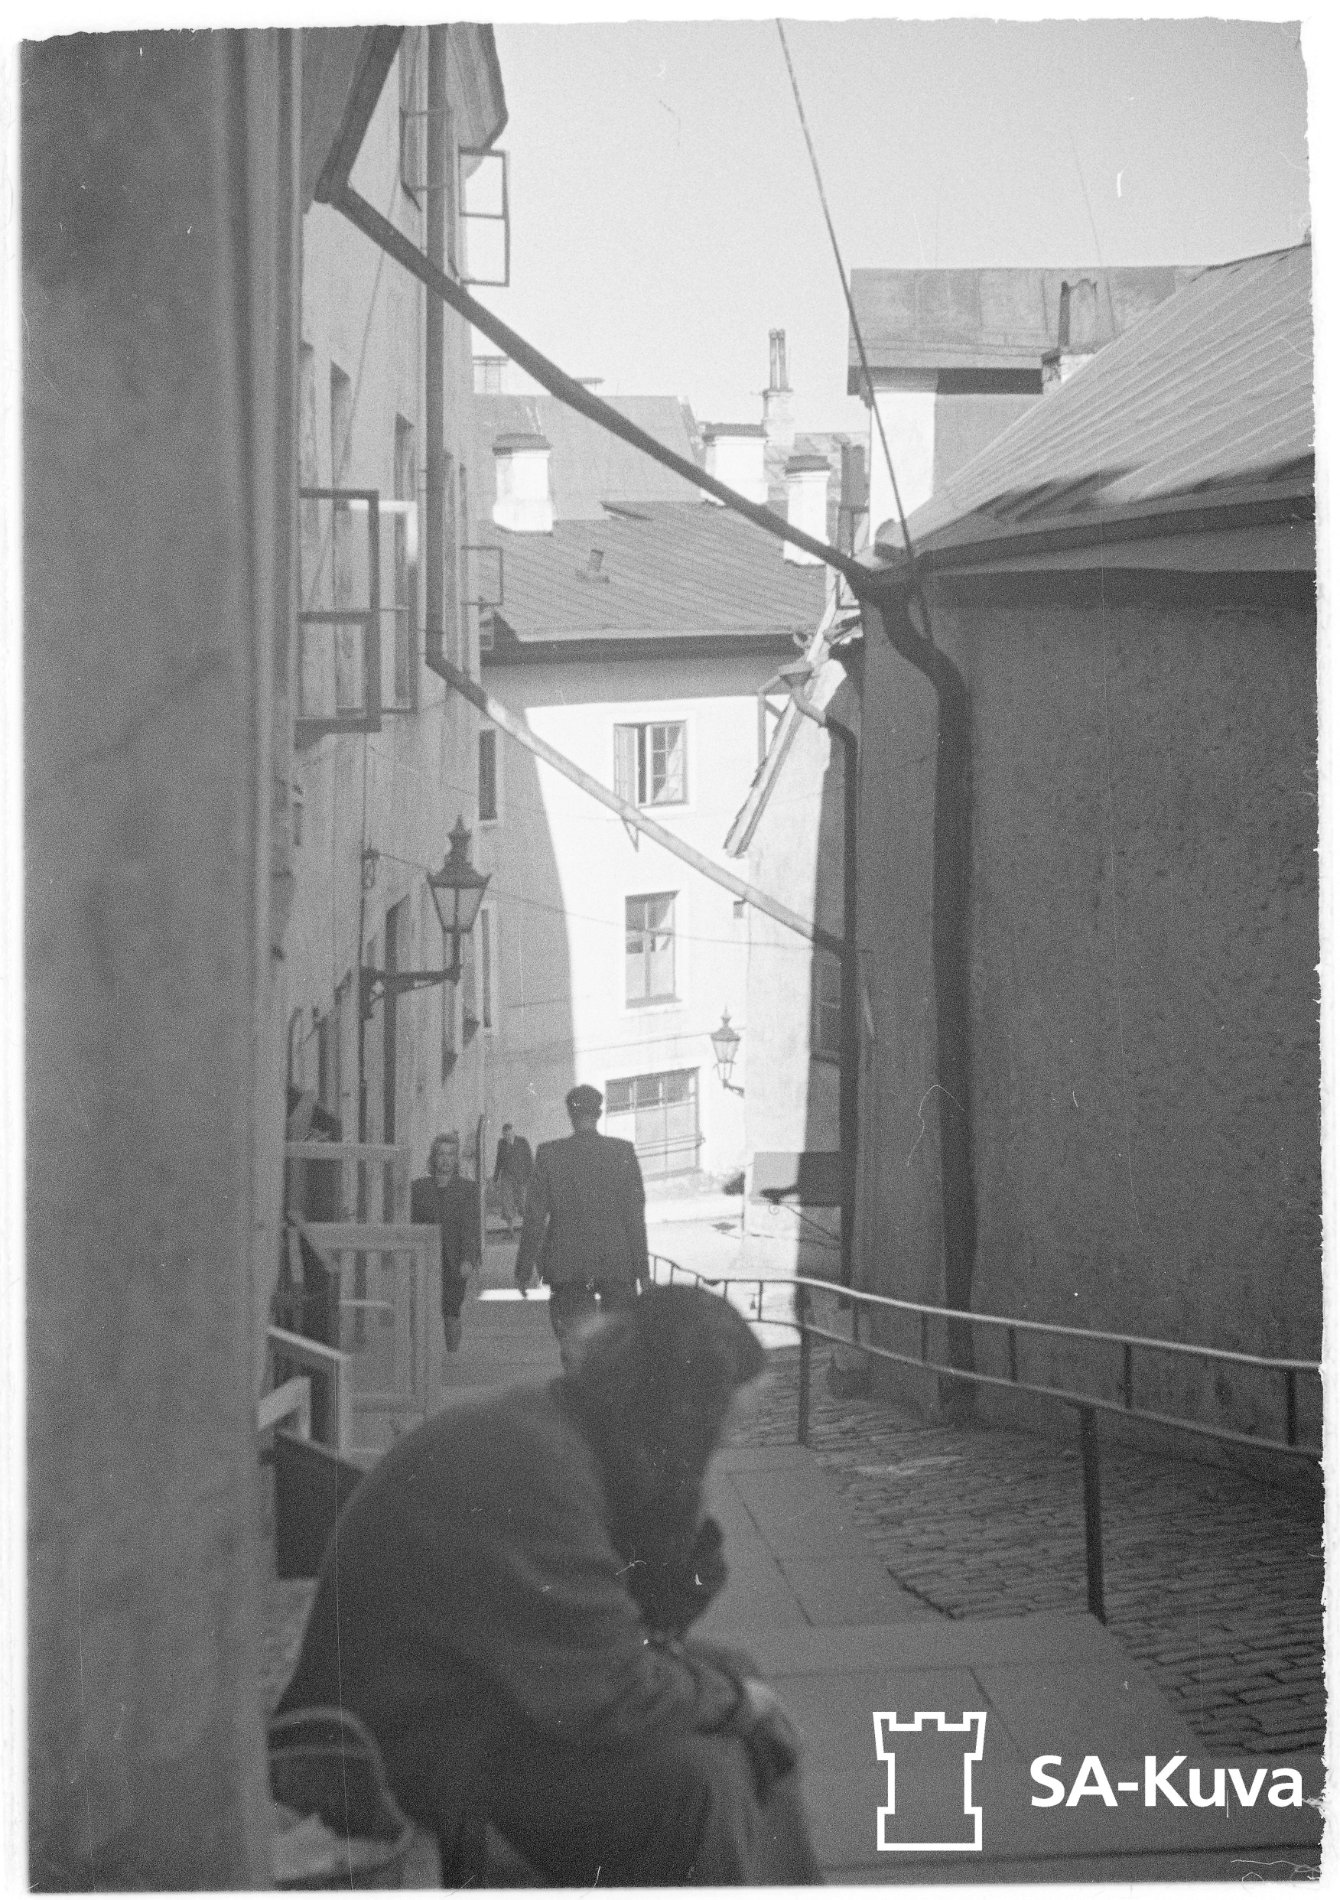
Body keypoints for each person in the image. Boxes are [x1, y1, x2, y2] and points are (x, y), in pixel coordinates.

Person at [275, 1285, 821, 1886]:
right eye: (718, 1435)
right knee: (696, 1779)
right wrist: (735, 1702)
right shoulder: (535, 1467)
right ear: (682, 1420)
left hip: (468, 1696)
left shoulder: (574, 1430)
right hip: (395, 1746)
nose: (718, 1451)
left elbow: (649, 1617)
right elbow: (614, 1689)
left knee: (738, 1682)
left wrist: (680, 1500)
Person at [515, 1082, 649, 1363]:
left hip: (568, 1264)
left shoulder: (549, 1154)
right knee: (619, 1349)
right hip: (616, 1262)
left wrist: (524, 1268)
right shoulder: (622, 1152)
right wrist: (643, 1272)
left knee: (576, 1347)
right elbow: (635, 1216)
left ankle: (581, 1389)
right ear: (598, 1113)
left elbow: (535, 1216)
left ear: (570, 1114)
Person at [410, 1132, 480, 1354]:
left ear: (456, 1158)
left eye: (451, 1154)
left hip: (455, 1261)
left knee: (451, 1312)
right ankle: (426, 1358)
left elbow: (471, 1227)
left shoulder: (467, 1189)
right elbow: (412, 1226)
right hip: (426, 1260)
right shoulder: (418, 1188)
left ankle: (452, 1355)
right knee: (425, 1312)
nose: (446, 1159)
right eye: (441, 1154)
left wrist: (468, 1259)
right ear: (433, 1157)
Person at [491, 1120, 534, 1234]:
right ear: (503, 1134)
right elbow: (498, 1161)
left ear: (513, 1133)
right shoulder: (501, 1143)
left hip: (521, 1177)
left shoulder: (522, 1141)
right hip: (507, 1177)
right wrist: (495, 1178)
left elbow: (529, 1160)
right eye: (505, 1135)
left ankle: (528, 1229)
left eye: (509, 1134)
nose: (507, 1137)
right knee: (507, 1204)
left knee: (523, 1203)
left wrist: (530, 1177)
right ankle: (510, 1231)